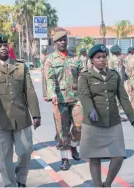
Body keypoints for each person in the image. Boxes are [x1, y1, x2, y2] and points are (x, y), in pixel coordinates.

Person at [78, 44, 134, 187]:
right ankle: (97, 185)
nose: (102, 60)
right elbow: (84, 95)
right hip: (93, 122)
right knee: (95, 158)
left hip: (113, 121)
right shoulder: (85, 76)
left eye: (104, 57)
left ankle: (107, 184)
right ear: (92, 60)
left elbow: (123, 98)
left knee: (118, 156)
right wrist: (90, 109)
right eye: (98, 57)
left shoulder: (114, 75)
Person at [0, 34, 41, 187]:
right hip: (0, 121)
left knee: (26, 151)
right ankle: (10, 184)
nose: (3, 48)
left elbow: (30, 91)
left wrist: (35, 114)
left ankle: (21, 179)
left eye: (5, 45)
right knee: (5, 156)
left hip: (21, 118)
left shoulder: (21, 67)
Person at [44, 30, 83, 170]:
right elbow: (49, 79)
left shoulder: (75, 58)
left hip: (76, 98)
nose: (63, 42)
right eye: (59, 40)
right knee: (62, 130)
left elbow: (82, 76)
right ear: (55, 43)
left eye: (64, 39)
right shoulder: (50, 60)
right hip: (59, 100)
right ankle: (65, 158)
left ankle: (73, 146)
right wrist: (52, 93)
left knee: (79, 126)